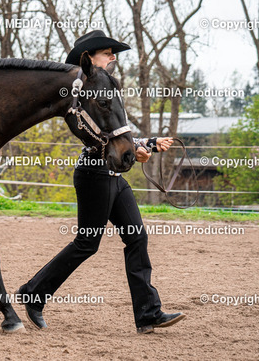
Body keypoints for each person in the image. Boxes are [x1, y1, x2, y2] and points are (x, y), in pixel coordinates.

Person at [17, 30, 186, 334]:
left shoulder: (106, 87)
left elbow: (116, 132)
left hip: (113, 178)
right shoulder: (82, 90)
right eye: (107, 53)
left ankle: (148, 314)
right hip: (94, 175)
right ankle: (33, 293)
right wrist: (137, 149)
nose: (113, 58)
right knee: (86, 244)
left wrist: (146, 143)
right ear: (90, 58)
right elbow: (98, 137)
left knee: (136, 238)